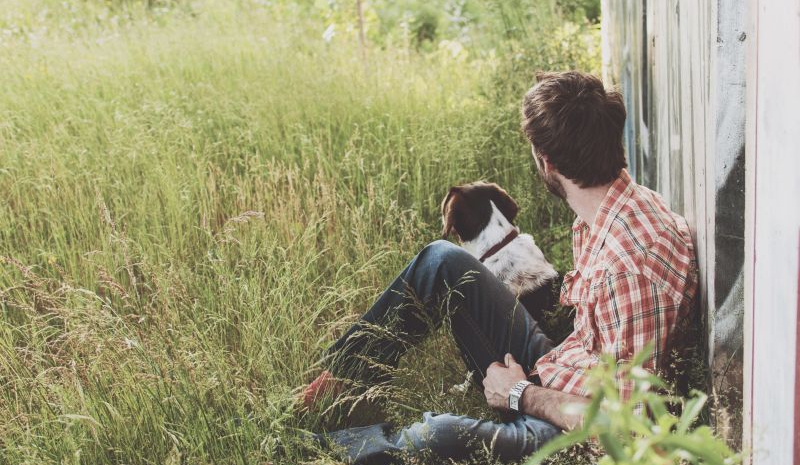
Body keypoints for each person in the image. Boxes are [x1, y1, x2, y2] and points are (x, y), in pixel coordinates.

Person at [299, 71, 698, 464]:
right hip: (569, 374)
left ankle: (313, 449)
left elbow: (625, 427)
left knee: (436, 436)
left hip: (573, 431)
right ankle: (333, 386)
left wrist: (519, 393)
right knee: (442, 260)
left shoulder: (626, 268)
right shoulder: (617, 207)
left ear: (546, 161)